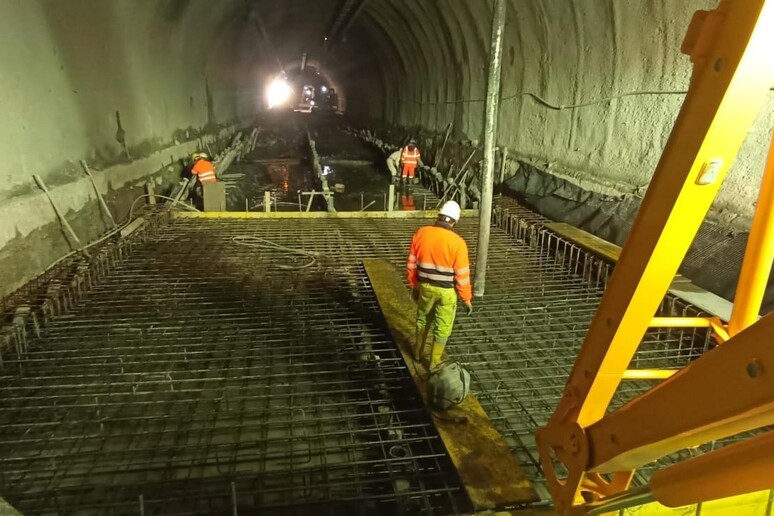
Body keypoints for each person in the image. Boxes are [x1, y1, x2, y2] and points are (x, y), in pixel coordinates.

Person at [406, 200, 473, 370]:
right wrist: (466, 299)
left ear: (439, 216)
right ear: (454, 221)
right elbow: (462, 276)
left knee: (422, 318)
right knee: (443, 326)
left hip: (425, 287)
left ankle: (417, 353)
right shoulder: (458, 243)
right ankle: (434, 362)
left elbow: (411, 263)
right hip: (446, 292)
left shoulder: (421, 233)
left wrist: (414, 285)